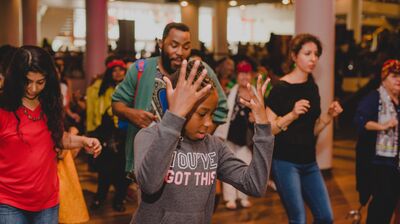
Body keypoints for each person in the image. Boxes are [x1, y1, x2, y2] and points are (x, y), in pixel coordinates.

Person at [131, 59, 274, 223]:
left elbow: (255, 185)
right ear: (178, 105)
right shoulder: (148, 136)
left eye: (211, 114)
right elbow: (149, 185)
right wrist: (174, 118)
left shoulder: (214, 147)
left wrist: (263, 127)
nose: (208, 123)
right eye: (202, 114)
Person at [0, 46, 101, 224]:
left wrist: (84, 140)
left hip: (47, 202)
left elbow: (58, 138)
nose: (32, 88)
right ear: (16, 78)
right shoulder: (4, 107)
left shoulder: (50, 103)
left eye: (40, 82)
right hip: (9, 202)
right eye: (27, 81)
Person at [112, 22, 228, 176]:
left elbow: (221, 110)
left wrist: (200, 137)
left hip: (187, 165)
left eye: (186, 47)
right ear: (161, 43)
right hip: (147, 160)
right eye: (174, 45)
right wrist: (130, 113)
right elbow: (116, 104)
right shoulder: (141, 69)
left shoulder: (200, 71)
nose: (180, 52)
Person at [265, 34, 343, 224]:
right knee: (298, 219)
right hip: (285, 163)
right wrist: (291, 115)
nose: (313, 58)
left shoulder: (311, 86)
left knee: (325, 217)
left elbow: (312, 129)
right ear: (294, 55)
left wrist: (329, 116)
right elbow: (266, 131)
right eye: (307, 53)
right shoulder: (280, 89)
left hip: (309, 162)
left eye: (316, 54)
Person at [354, 59, 400, 224]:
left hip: (395, 163)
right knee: (382, 206)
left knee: (391, 205)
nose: (398, 80)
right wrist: (383, 125)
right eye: (394, 76)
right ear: (384, 78)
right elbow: (360, 120)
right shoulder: (375, 97)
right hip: (379, 164)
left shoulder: (397, 101)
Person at [89, 59, 130, 212]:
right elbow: (94, 112)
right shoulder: (101, 88)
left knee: (123, 170)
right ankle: (100, 197)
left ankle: (119, 199)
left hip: (125, 132)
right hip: (106, 132)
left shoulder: (130, 88)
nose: (118, 73)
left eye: (121, 69)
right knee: (104, 169)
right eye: (114, 70)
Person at [214, 60, 256, 209]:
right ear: (237, 76)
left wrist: (254, 118)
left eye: (247, 73)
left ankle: (243, 197)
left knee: (245, 167)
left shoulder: (255, 94)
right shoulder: (230, 92)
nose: (245, 76)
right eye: (242, 73)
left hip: (246, 139)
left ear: (251, 75)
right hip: (229, 136)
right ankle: (230, 198)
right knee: (228, 168)